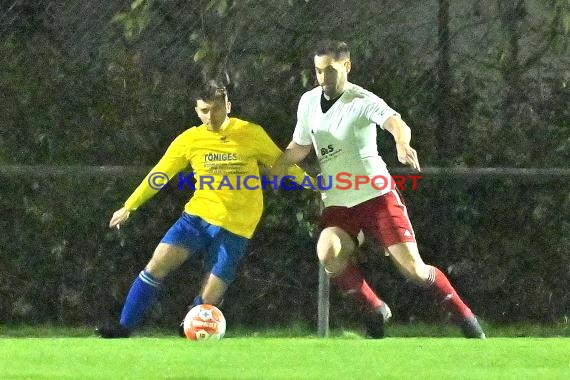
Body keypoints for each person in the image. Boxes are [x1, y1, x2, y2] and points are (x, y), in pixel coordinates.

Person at [272, 40, 485, 338]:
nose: (324, 78)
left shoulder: (361, 99)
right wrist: (274, 168)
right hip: (337, 201)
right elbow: (300, 146)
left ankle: (466, 318)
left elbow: (395, 122)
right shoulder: (308, 102)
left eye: (330, 71)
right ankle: (374, 308)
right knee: (327, 250)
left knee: (415, 271)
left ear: (346, 66)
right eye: (318, 71)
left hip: (375, 195)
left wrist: (401, 142)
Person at [96, 80, 312, 338]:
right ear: (197, 112)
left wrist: (317, 185)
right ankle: (123, 327)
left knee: (209, 298)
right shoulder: (189, 140)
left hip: (238, 225)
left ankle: (191, 325)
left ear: (228, 106)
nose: (211, 116)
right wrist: (129, 206)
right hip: (198, 217)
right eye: (204, 111)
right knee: (157, 263)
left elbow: (283, 163)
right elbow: (159, 174)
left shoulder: (250, 133)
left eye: (216, 109)